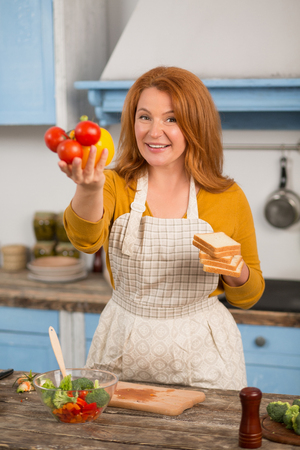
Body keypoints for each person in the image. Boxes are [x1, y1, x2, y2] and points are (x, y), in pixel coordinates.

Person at [60, 66, 265, 390]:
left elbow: (249, 296)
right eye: (145, 117)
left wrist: (234, 270)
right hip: (122, 346)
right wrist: (88, 189)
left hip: (204, 354)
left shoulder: (226, 197)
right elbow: (85, 242)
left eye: (171, 119)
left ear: (196, 125)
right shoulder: (114, 184)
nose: (154, 132)